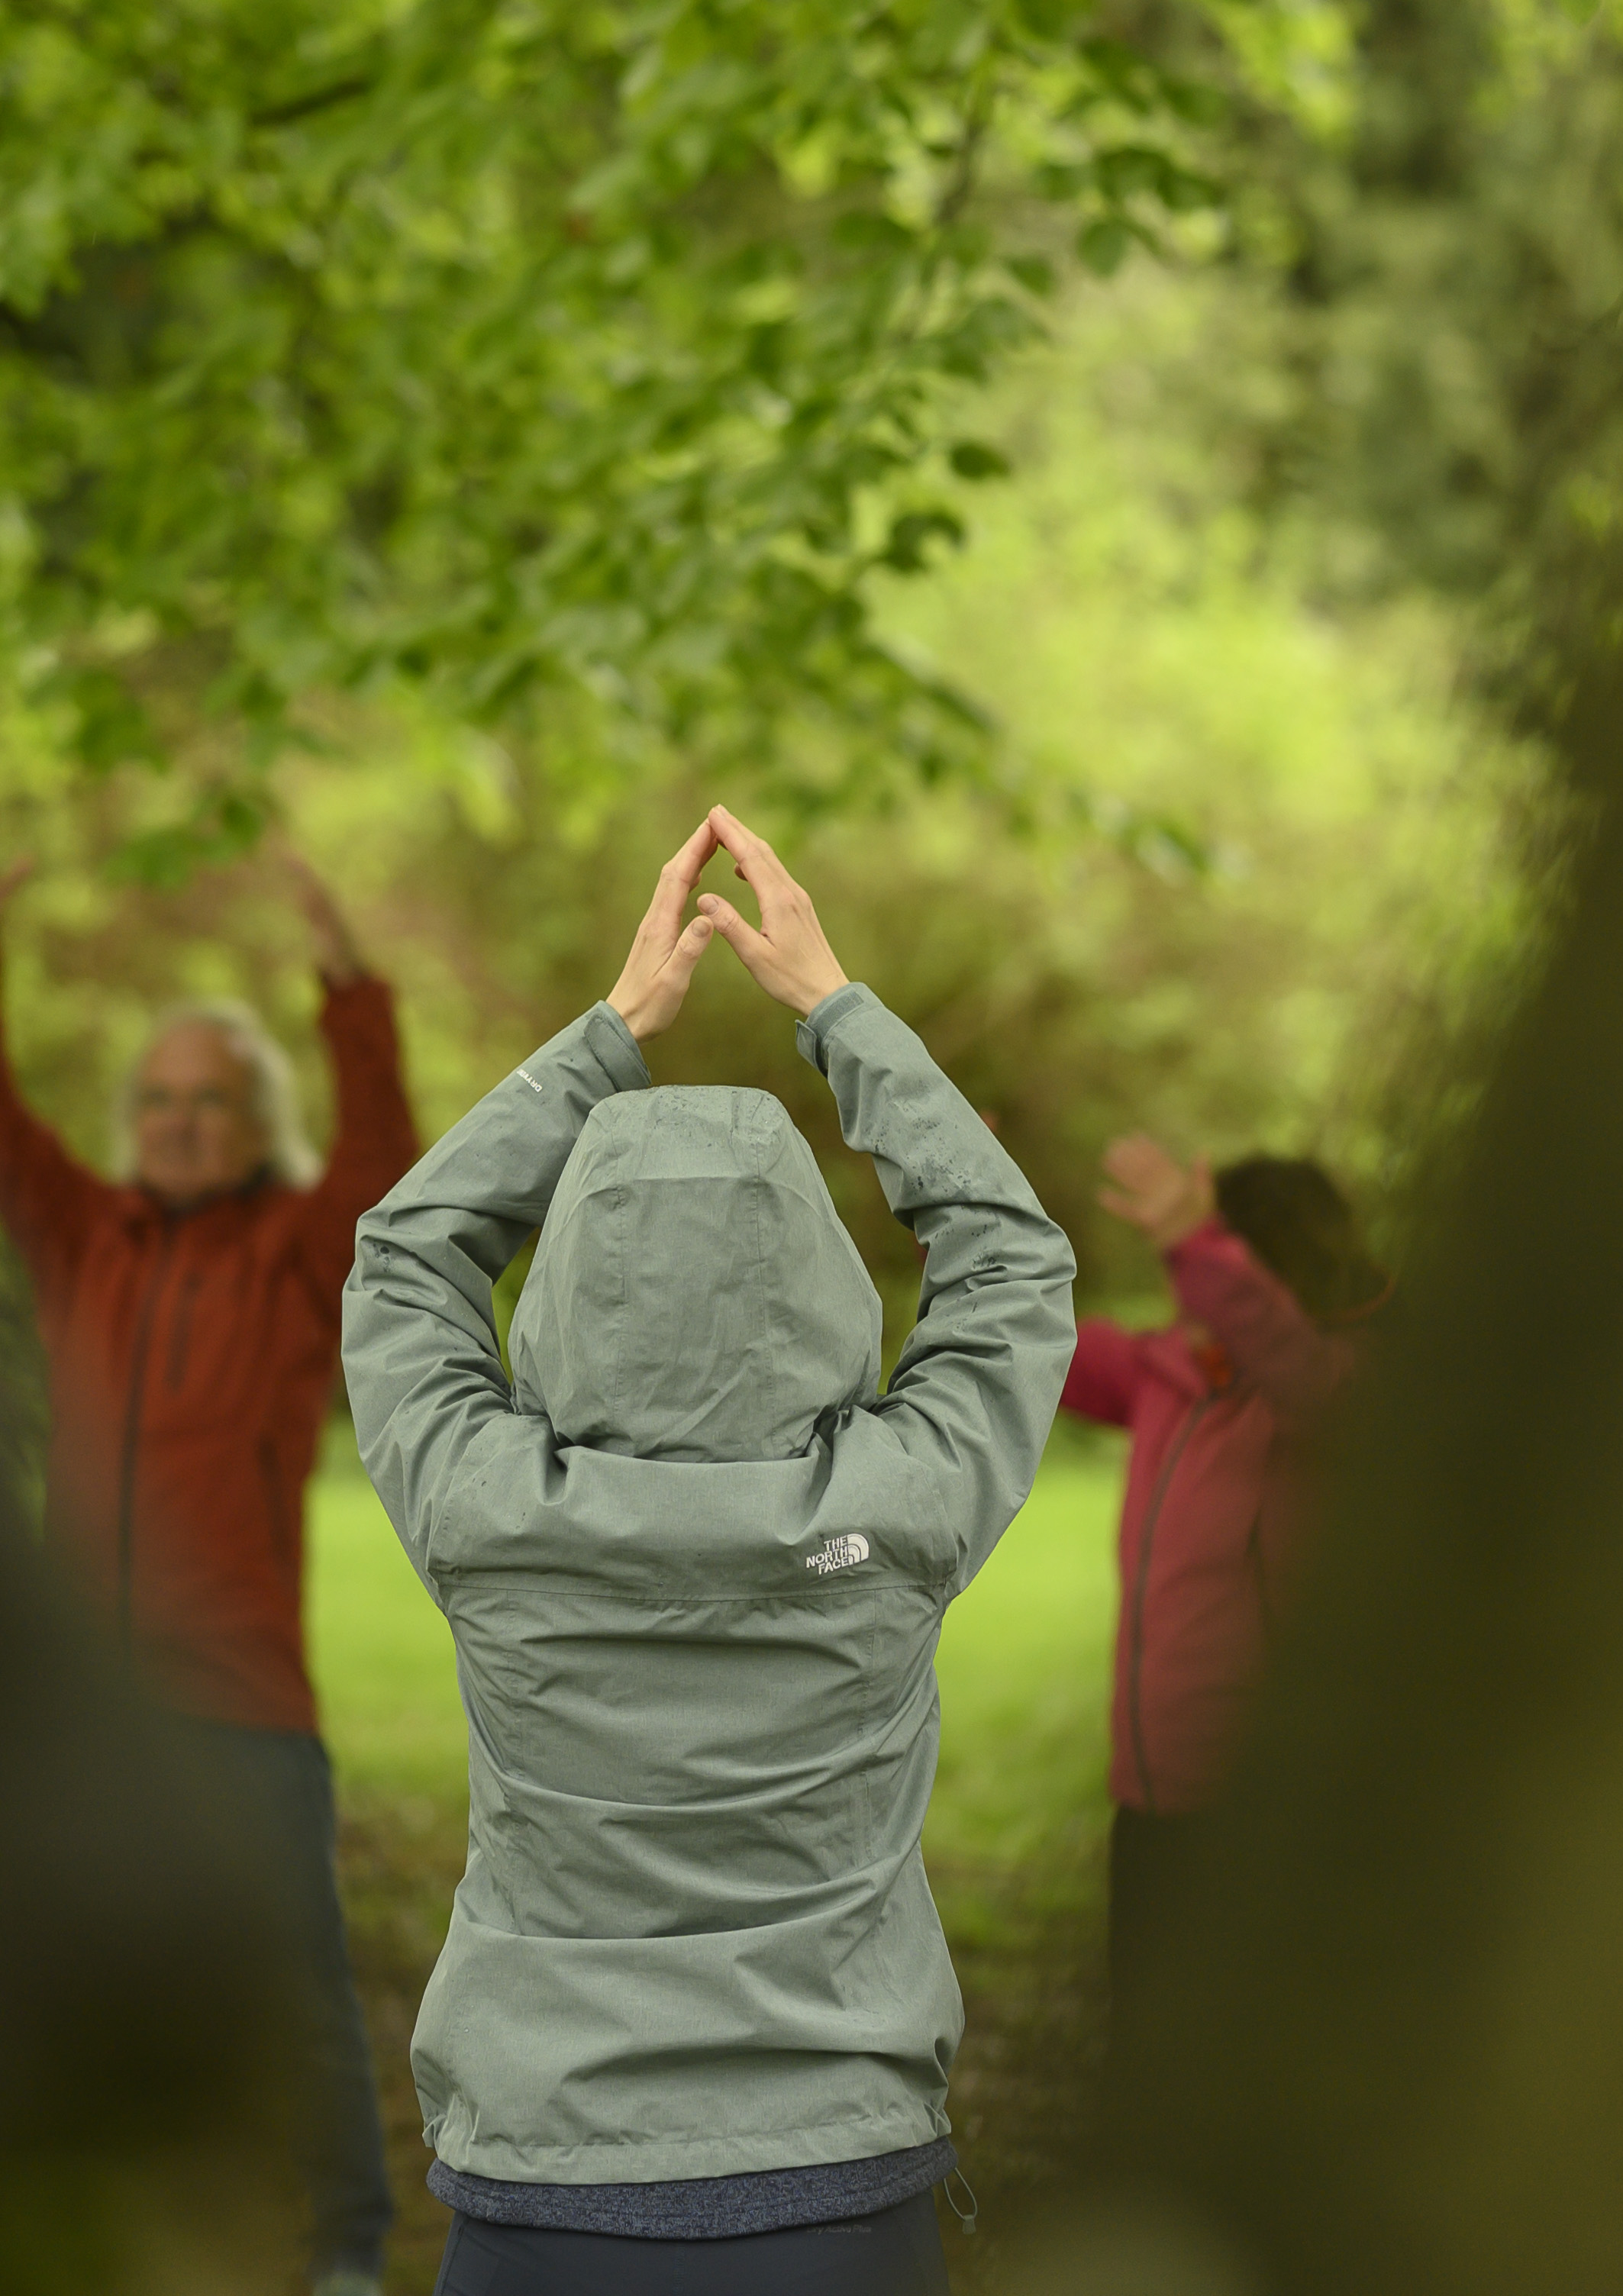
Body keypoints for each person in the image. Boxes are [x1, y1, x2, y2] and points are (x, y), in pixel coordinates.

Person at [344, 811, 1075, 2296]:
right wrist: (837, 1008)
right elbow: (1011, 1257)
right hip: (837, 2190)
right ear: (811, 1270)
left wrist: (611, 1033)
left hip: (544, 2195)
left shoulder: (489, 1510)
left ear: (576, 1280)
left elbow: (408, 1256)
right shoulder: (900, 1505)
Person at [0, 800, 418, 2296]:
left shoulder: (300, 1251)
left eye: (208, 1100)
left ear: (255, 1119)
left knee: (304, 1996)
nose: (176, 1118)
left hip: (243, 1698)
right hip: (80, 1696)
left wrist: (349, 983)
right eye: (156, 1097)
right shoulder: (84, 1233)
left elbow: (390, 1152)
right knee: (60, 1990)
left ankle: (344, 2247)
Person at [1069, 1130, 1388, 2031]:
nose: (1192, 1293)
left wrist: (1196, 1240)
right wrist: (957, 1211)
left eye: (1219, 1267)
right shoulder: (1171, 1374)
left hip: (1262, 1811)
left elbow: (1281, 1348)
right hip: (1150, 1799)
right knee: (1148, 2042)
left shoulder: (1334, 1391)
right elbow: (1033, 1338)